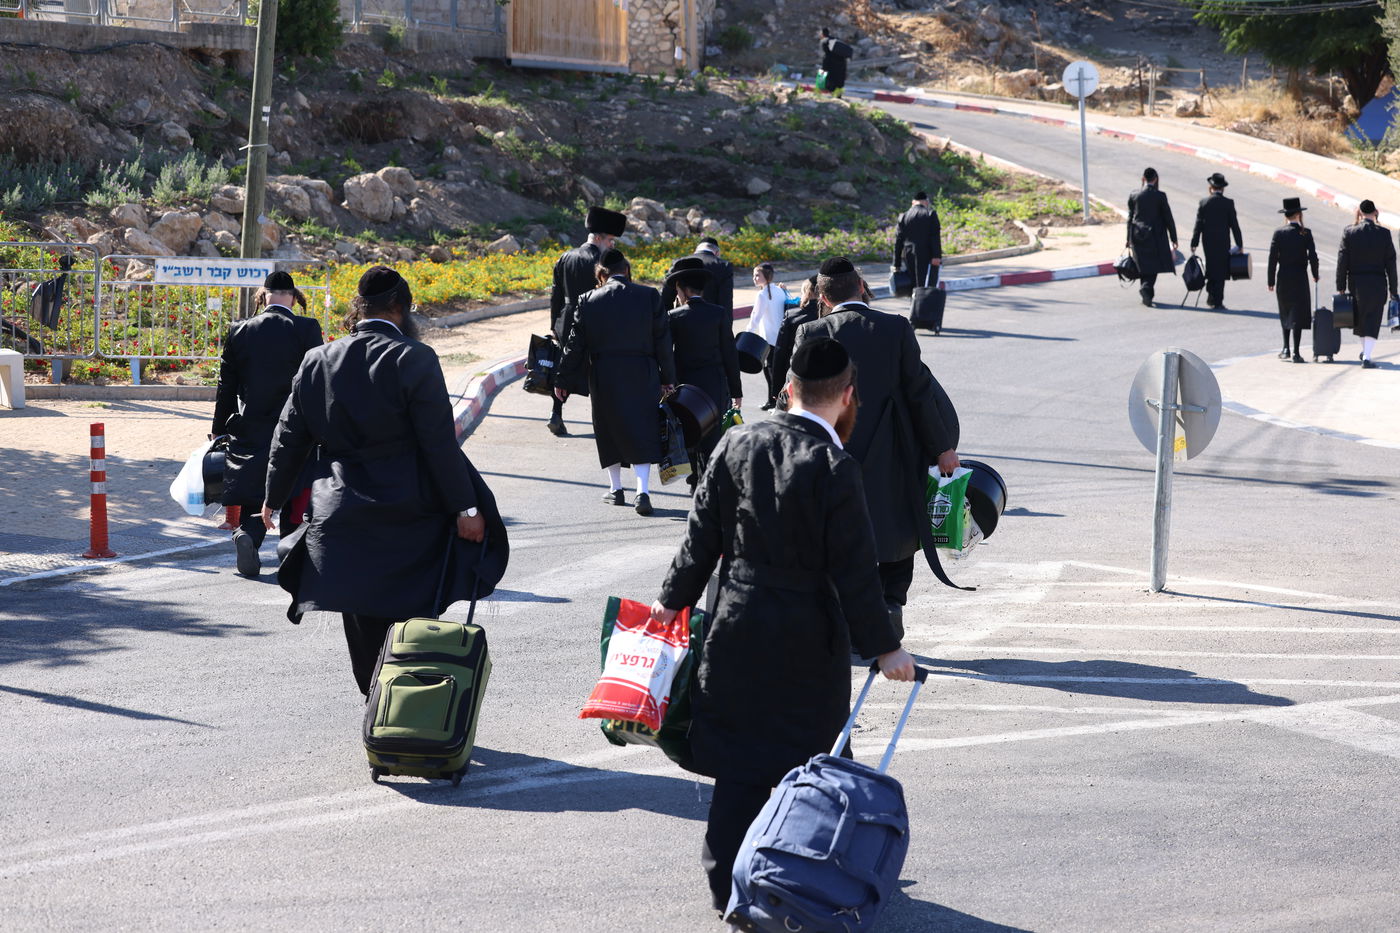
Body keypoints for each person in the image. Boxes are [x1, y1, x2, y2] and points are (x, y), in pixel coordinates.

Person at [648, 336, 916, 916]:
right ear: (847, 397)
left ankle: (726, 891)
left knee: (739, 769)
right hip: (806, 643)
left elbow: (700, 539)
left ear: (787, 388)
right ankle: (788, 883)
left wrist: (672, 601)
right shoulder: (835, 466)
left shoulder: (736, 442)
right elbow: (855, 573)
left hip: (736, 629)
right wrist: (886, 648)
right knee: (802, 771)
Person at [263, 267, 507, 696]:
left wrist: (273, 498)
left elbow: (289, 437)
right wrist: (466, 509)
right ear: (401, 308)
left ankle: (377, 703)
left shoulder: (318, 359)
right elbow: (437, 445)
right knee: (412, 622)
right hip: (410, 516)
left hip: (341, 515)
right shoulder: (414, 358)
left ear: (360, 308)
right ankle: (411, 710)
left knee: (362, 621)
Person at [795, 258, 960, 641]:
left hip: (831, 455)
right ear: (862, 286)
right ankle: (890, 605)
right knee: (896, 529)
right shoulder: (896, 328)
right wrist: (942, 449)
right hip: (894, 452)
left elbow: (797, 403)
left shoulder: (811, 332)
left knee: (835, 534)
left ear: (822, 296)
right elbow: (919, 394)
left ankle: (842, 618)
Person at [211, 270, 323, 578]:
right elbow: (316, 381)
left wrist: (219, 426)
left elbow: (226, 385)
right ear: (293, 297)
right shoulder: (306, 328)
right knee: (292, 485)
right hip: (295, 423)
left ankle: (248, 534)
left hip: (251, 422)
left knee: (253, 486)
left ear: (263, 296)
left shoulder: (240, 329)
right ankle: (290, 554)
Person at [556, 249, 677, 516]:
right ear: (627, 269)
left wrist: (562, 378)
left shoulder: (587, 299)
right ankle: (642, 492)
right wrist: (667, 379)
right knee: (642, 427)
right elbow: (663, 342)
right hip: (642, 370)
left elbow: (575, 345)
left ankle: (616, 489)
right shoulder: (649, 296)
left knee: (608, 428)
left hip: (604, 372)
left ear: (603, 273)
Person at [547, 206, 627, 436]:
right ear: (599, 237)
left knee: (564, 367)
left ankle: (556, 413)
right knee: (599, 370)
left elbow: (556, 295)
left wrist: (555, 325)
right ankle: (604, 419)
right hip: (597, 318)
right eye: (611, 240)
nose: (612, 244)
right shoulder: (604, 260)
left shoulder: (565, 257)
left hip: (567, 317)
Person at [666, 256, 742, 480]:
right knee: (712, 436)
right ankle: (710, 481)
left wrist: (666, 382)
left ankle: (693, 479)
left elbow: (667, 355)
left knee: (688, 431)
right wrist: (736, 390)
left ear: (682, 290)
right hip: (714, 384)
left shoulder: (674, 317)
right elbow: (730, 354)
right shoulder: (718, 313)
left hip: (684, 386)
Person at [1336, 199, 1399, 369]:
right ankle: (1367, 356)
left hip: (1356, 283)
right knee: (1373, 319)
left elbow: (1342, 260)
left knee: (1361, 319)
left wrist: (1340, 285)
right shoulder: (1384, 233)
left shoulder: (1349, 232)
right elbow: (1391, 264)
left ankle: (1366, 354)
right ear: (1375, 212)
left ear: (1360, 213)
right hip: (1378, 283)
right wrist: (1394, 290)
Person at [1267, 197, 1319, 363]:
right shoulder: (1305, 233)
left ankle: (1286, 348)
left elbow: (1272, 258)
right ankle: (1296, 351)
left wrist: (1270, 280)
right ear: (1298, 214)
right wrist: (1315, 273)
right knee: (1298, 312)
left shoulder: (1279, 233)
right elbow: (1313, 256)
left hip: (1283, 276)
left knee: (1286, 311)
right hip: (1300, 276)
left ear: (1286, 215)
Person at [1190, 172, 1244, 310]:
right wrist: (1239, 244)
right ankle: (1217, 300)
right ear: (1223, 188)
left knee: (1211, 267)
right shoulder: (1228, 203)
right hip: (1223, 242)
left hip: (1207, 242)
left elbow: (1198, 225)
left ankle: (1211, 295)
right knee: (1221, 269)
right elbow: (1234, 225)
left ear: (1210, 188)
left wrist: (1194, 242)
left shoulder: (1204, 203)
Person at [1127, 167, 1178, 308]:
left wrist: (1127, 238)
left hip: (1137, 234)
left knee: (1143, 263)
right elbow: (1168, 218)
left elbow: (1130, 218)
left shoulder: (1134, 195)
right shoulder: (1160, 196)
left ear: (1143, 179)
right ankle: (1146, 288)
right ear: (1155, 179)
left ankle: (1146, 290)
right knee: (1154, 264)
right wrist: (1174, 238)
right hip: (1155, 235)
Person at [769, 275, 820, 411]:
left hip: (794, 378)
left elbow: (780, 353)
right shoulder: (830, 316)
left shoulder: (792, 316)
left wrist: (776, 389)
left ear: (807, 293)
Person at [744, 263, 787, 409]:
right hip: (780, 337)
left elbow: (755, 317)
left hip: (769, 339)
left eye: (757, 275)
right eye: (754, 274)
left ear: (766, 277)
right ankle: (774, 400)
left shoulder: (762, 294)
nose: (754, 278)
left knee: (770, 371)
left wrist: (747, 334)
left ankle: (773, 401)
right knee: (776, 370)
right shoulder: (779, 290)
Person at [660, 237, 734, 314]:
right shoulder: (724, 266)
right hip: (712, 319)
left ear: (696, 250)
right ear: (717, 253)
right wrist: (725, 324)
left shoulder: (679, 263)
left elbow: (665, 296)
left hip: (682, 317)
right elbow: (726, 301)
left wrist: (668, 319)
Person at [892, 190, 943, 292]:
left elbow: (898, 241)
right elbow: (935, 237)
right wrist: (936, 256)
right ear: (926, 202)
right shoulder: (930, 214)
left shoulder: (903, 216)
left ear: (913, 202)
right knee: (927, 285)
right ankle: (924, 306)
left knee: (913, 285)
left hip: (908, 255)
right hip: (926, 255)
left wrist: (896, 263)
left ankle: (915, 304)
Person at [817, 27, 850, 97]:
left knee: (830, 81)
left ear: (822, 34)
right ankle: (838, 97)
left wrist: (823, 69)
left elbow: (826, 55)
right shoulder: (835, 40)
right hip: (842, 65)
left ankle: (833, 98)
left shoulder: (824, 41)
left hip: (831, 65)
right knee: (838, 82)